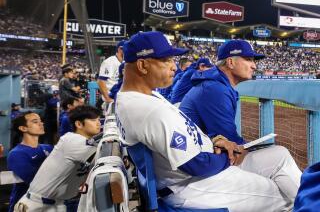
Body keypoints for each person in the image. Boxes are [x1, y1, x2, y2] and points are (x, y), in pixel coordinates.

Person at [116, 31, 299, 211]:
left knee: (280, 156)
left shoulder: (141, 96)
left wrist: (214, 141)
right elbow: (197, 165)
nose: (174, 67)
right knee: (284, 195)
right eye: (166, 60)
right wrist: (227, 156)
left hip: (199, 166)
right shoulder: (149, 110)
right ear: (142, 65)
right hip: (192, 184)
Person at [180, 39, 302, 206]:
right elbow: (233, 149)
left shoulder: (214, 85)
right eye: (249, 59)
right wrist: (242, 147)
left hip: (200, 160)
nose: (254, 66)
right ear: (230, 62)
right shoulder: (215, 89)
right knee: (280, 157)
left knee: (278, 162)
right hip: (198, 173)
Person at [14, 105, 101, 212]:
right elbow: (102, 156)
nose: (98, 123)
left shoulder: (84, 143)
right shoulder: (72, 140)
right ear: (78, 124)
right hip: (36, 205)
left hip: (58, 203)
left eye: (98, 119)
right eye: (93, 120)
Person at [7, 112, 53, 212]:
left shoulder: (48, 148)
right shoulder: (16, 154)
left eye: (41, 121)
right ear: (23, 128)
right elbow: (35, 181)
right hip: (25, 205)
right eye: (35, 121)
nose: (41, 124)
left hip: (49, 204)